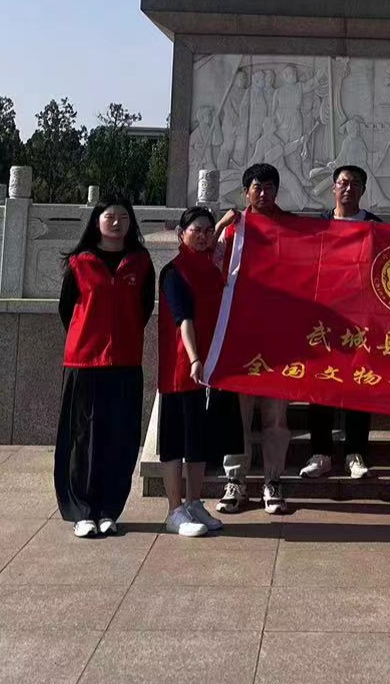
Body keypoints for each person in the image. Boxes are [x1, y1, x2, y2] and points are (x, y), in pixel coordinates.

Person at [54, 199, 155, 538]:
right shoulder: (79, 263)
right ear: (96, 221)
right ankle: (82, 509)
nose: (116, 223)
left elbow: (143, 309)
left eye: (123, 217)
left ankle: (110, 509)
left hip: (125, 361)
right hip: (85, 361)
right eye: (109, 217)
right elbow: (67, 309)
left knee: (119, 438)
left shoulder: (141, 263)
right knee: (83, 436)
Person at [156, 207, 243, 537]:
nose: (204, 235)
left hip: (210, 367)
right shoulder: (174, 272)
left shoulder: (213, 266)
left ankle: (194, 502)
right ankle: (174, 509)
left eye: (208, 230)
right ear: (181, 234)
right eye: (196, 230)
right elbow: (184, 319)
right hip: (182, 370)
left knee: (198, 442)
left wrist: (224, 221)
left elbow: (226, 232)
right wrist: (195, 359)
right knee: (175, 441)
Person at [212, 164, 294, 515]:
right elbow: (209, 267)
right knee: (238, 418)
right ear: (246, 191)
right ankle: (236, 481)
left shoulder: (292, 230)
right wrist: (218, 226)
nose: (263, 193)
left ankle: (273, 481)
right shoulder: (233, 231)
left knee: (275, 418)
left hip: (280, 339)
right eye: (257, 187)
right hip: (239, 338)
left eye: (270, 187)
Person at [300, 165, 383, 480]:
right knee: (319, 385)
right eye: (343, 183)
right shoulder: (318, 228)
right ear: (333, 188)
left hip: (362, 320)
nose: (348, 188)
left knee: (359, 385)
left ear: (363, 191)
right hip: (324, 319)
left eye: (355, 183)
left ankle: (355, 453)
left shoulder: (376, 227)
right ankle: (320, 452)